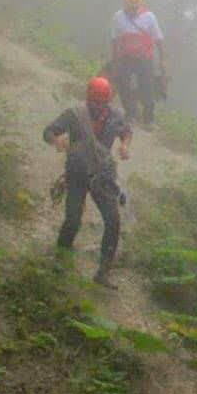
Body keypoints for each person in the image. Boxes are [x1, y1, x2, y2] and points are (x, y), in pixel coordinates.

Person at [43, 76, 131, 288]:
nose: (99, 107)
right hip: (77, 173)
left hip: (103, 175)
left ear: (108, 101)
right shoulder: (75, 114)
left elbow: (126, 131)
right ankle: (61, 260)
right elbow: (48, 131)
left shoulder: (115, 116)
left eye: (103, 103)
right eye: (96, 102)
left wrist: (125, 145)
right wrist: (57, 140)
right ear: (88, 99)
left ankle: (103, 272)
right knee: (73, 219)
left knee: (113, 221)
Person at [110, 0, 166, 126]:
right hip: (125, 58)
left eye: (135, 6)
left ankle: (148, 119)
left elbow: (159, 39)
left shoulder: (149, 17)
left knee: (147, 88)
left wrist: (163, 59)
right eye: (130, 7)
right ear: (125, 4)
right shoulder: (118, 17)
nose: (133, 10)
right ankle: (130, 113)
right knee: (123, 84)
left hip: (145, 59)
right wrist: (114, 60)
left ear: (139, 3)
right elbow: (114, 40)